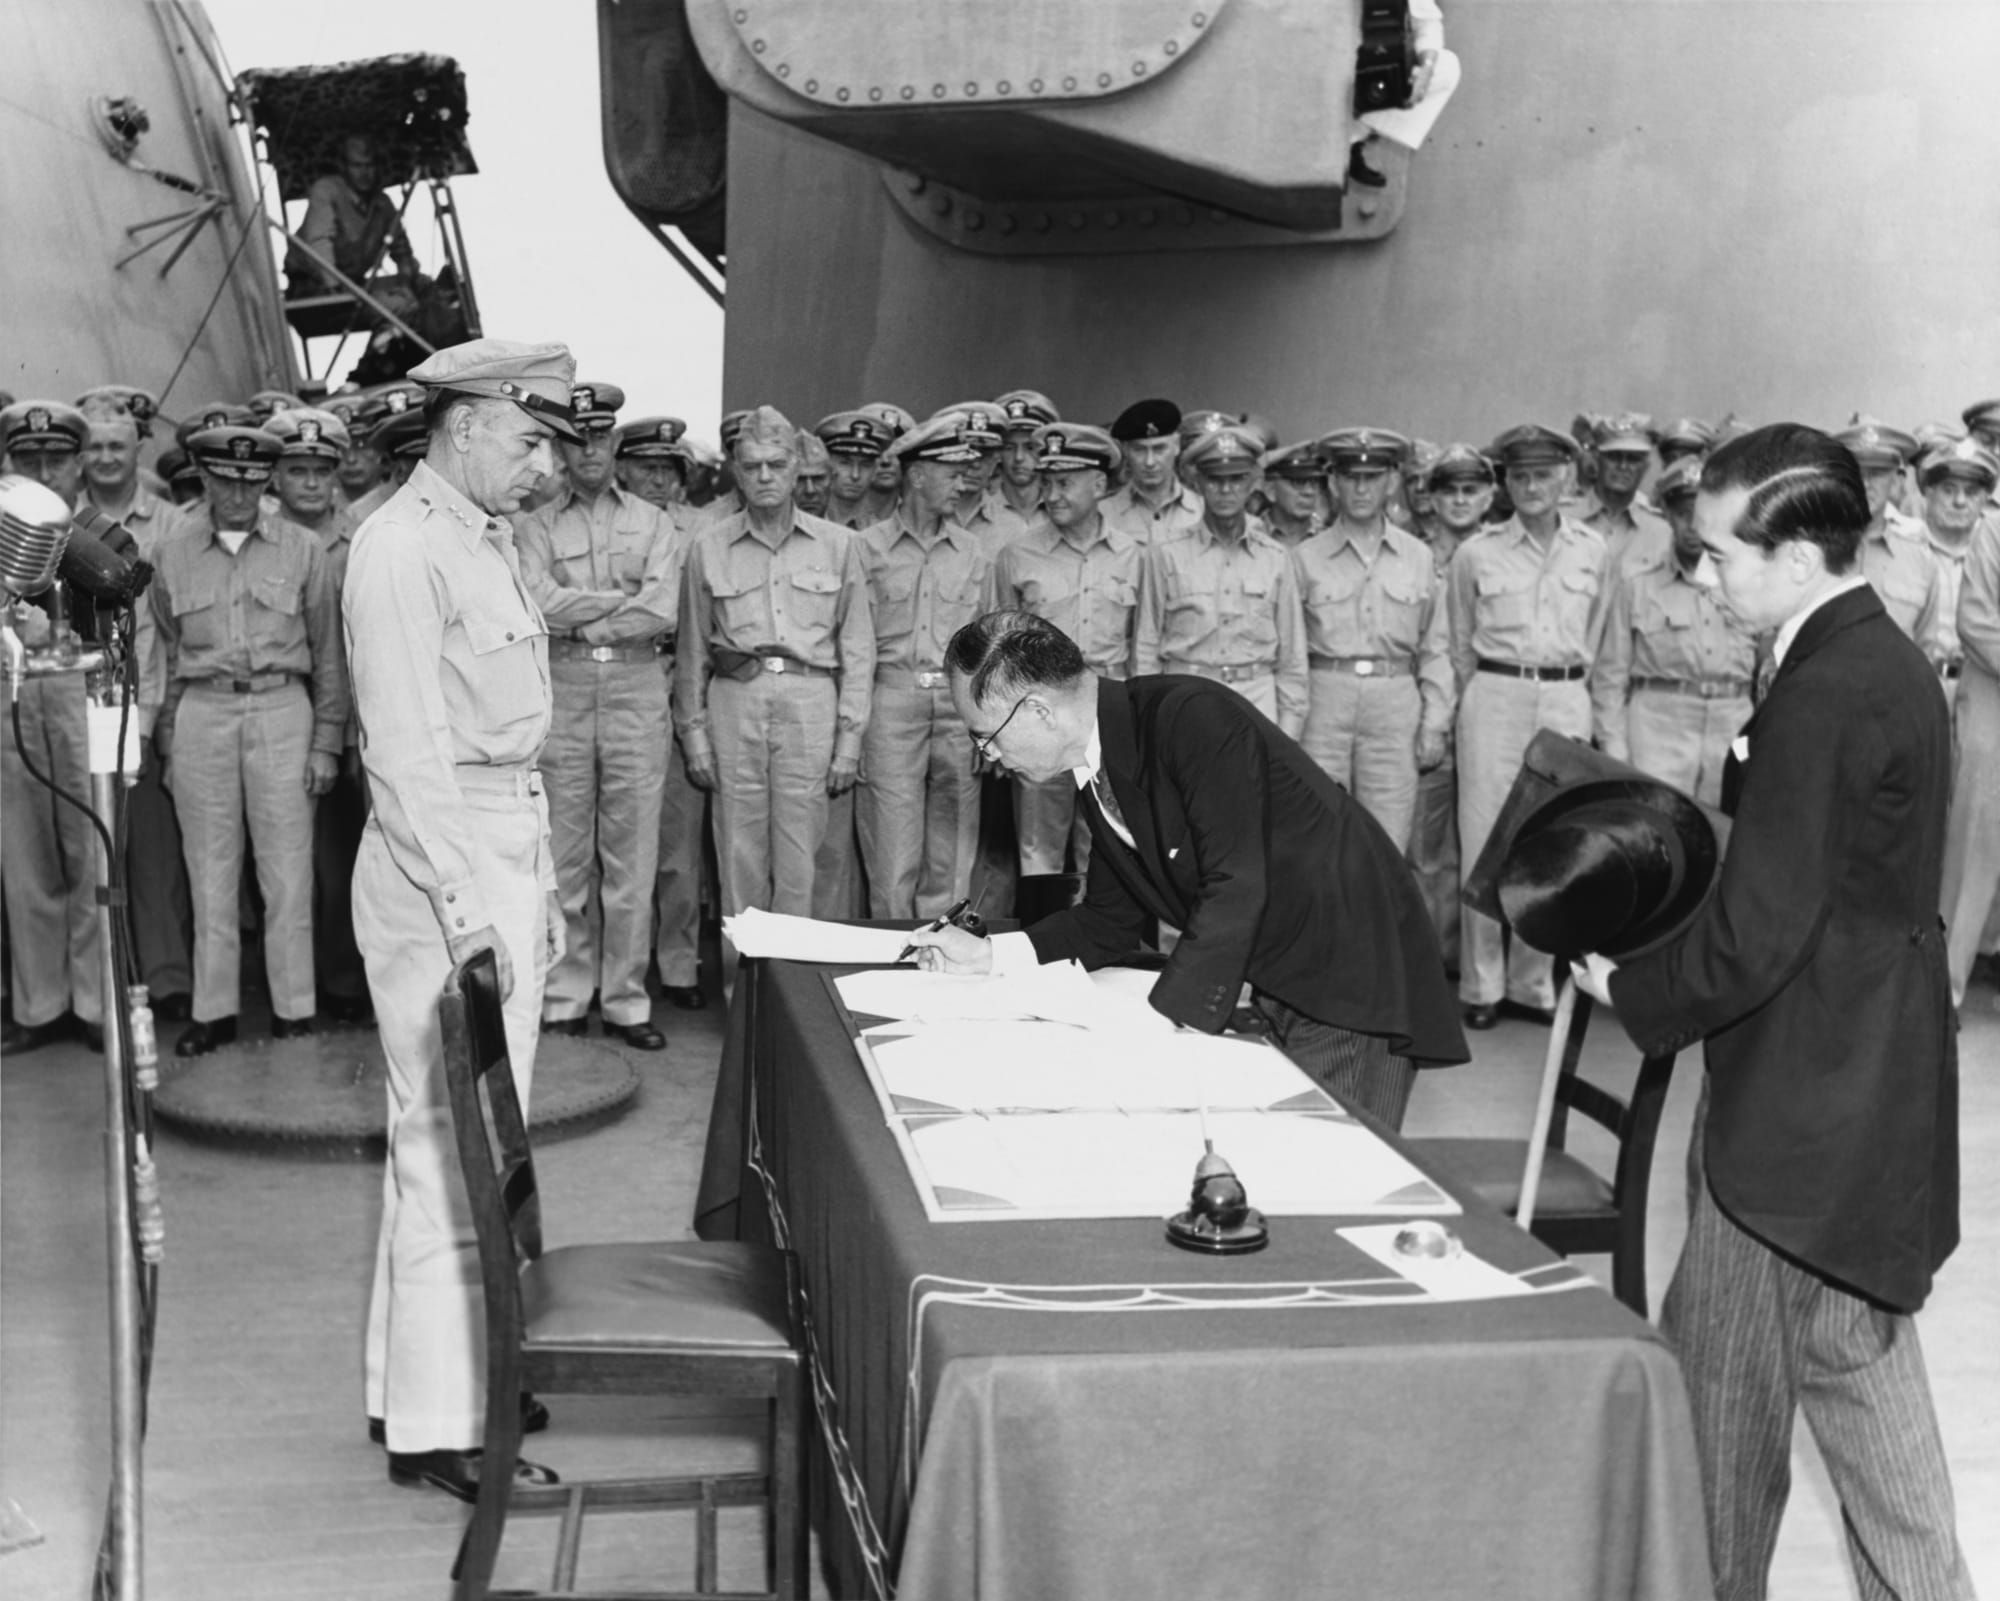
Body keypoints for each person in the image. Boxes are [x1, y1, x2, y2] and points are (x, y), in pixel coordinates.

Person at [1578, 423, 1972, 1601]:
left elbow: (1765, 926)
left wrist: (1629, 986)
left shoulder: (1826, 689)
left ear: (1797, 556)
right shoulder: (1874, 655)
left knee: (1720, 1419)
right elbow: (1809, 885)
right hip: (1864, 1086)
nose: (1702, 573)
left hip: (1798, 1113)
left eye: (1717, 554)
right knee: (1855, 1366)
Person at [907, 610, 1467, 1129]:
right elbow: (1109, 921)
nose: (989, 755)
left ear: (1037, 710)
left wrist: (1160, 1020)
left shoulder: (1190, 718)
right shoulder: (1101, 766)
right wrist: (991, 955)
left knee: (1333, 1170)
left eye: (985, 735)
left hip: (1350, 970)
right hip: (1284, 970)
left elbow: (1237, 884)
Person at [345, 336, 577, 1503]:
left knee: (478, 1138)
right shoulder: (400, 548)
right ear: (468, 421)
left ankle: (431, 1376)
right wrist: (467, 908)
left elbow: (508, 744)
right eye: (531, 438)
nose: (543, 465)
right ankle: (446, 1424)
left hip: (497, 844)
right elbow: (405, 753)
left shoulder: (482, 540)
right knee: (450, 1144)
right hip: (439, 859)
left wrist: (536, 894)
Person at [150, 426, 348, 1056]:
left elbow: (328, 653)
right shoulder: (171, 551)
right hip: (203, 710)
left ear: (266, 480)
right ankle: (215, 1011)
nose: (237, 492)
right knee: (209, 869)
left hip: (281, 707)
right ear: (201, 478)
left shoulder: (302, 549)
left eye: (250, 479)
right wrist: (168, 738)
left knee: (287, 870)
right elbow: (167, 645)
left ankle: (294, 1010)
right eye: (223, 479)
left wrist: (326, 742)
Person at [514, 382, 683, 1049]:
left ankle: (625, 1000)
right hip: (563, 683)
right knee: (563, 850)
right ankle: (565, 993)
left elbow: (660, 608)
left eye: (600, 437)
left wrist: (578, 609)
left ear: (615, 442)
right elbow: (536, 601)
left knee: (632, 853)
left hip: (638, 686)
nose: (589, 449)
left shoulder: (655, 522)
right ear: (560, 445)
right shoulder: (532, 524)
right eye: (575, 438)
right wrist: (612, 605)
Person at [675, 406, 874, 923]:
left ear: (796, 470)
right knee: (737, 855)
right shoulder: (707, 546)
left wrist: (850, 742)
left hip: (811, 701)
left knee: (802, 859)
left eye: (777, 465)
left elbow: (858, 649)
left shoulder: (840, 547)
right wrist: (693, 735)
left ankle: (793, 994)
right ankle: (744, 995)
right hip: (735, 702)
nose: (765, 476)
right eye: (752, 465)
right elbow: (693, 650)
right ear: (736, 474)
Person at [1447, 423, 1609, 1029]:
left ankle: (1530, 982)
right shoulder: (1476, 553)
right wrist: (1484, 694)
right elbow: (1458, 641)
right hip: (1495, 693)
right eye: (1520, 476)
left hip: (1565, 694)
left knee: (1551, 840)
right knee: (1486, 838)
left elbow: (1603, 641)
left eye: (1543, 474)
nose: (1532, 486)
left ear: (1565, 478)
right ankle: (1483, 986)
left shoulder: (1593, 550)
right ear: (1504, 483)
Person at [0, 401, 116, 1052]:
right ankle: (41, 1006)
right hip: (11, 691)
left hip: (80, 694)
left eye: (55, 459)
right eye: (27, 459)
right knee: (24, 857)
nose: (43, 470)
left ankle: (95, 1002)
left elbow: (136, 631)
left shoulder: (105, 535)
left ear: (79, 466)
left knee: (89, 849)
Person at [76, 402, 194, 1020]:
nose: (104, 458)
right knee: (95, 851)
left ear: (136, 452)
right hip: (80, 707)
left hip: (139, 706)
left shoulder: (170, 523)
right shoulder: (64, 521)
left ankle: (169, 982)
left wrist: (149, 718)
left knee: (153, 854)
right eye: (94, 447)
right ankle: (110, 988)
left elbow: (162, 631)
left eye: (116, 447)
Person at [856, 413, 997, 917]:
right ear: (917, 476)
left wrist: (986, 725)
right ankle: (891, 967)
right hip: (891, 703)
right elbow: (855, 644)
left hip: (958, 709)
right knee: (893, 854)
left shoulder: (974, 553)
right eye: (952, 473)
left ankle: (944, 963)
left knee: (953, 853)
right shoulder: (866, 548)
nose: (964, 484)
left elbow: (987, 648)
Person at [992, 423, 1143, 881]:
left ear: (1099, 485)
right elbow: (996, 651)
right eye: (1047, 481)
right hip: (1039, 716)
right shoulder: (1016, 555)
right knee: (1038, 849)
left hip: (1108, 715)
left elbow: (1143, 645)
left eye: (1064, 482)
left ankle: (1104, 951)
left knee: (1111, 843)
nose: (1052, 495)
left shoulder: (1134, 555)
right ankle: (1038, 947)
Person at [1290, 427, 1452, 851]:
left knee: (1387, 840)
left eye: (1373, 477)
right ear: (1333, 484)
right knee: (1315, 833)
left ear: (1392, 482)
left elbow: (1436, 647)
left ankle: (1378, 920)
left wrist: (1434, 722)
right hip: (1324, 702)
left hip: (1394, 703)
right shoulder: (1304, 558)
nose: (1361, 488)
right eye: (1350, 477)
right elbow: (1289, 651)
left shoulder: (1418, 556)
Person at [265, 407, 374, 1025]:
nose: (310, 483)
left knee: (343, 864)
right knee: (286, 866)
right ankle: (289, 989)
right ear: (275, 476)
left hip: (353, 719)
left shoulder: (363, 537)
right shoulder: (262, 535)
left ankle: (342, 982)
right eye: (296, 470)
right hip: (289, 709)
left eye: (321, 470)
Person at [1591, 456, 1759, 808]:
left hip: (1731, 729)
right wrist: (1615, 750)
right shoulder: (1638, 586)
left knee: (1726, 839)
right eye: (1685, 514)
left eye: (1707, 516)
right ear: (1667, 516)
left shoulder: (1750, 589)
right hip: (1658, 732)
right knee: (1657, 835)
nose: (1695, 527)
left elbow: (1770, 673)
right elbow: (1610, 677)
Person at [611, 416, 706, 1010]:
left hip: (687, 683)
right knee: (621, 842)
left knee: (679, 848)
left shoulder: (704, 530)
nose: (658, 480)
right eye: (647, 467)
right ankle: (623, 969)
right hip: (630, 680)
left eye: (669, 469)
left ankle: (677, 965)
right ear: (624, 469)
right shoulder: (617, 524)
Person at [1135, 424, 1308, 737]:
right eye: (1215, 479)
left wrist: (1290, 732)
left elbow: (1292, 657)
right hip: (1186, 700)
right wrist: (1149, 720)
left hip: (1256, 700)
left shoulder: (1276, 558)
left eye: (1237, 478)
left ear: (1254, 482)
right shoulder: (1165, 554)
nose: (1226, 490)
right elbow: (1146, 649)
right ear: (1197, 482)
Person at [1943, 509, 2000, 1006]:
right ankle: (1944, 986)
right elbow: (1977, 622)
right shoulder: (1994, 530)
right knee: (1975, 841)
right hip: (1993, 705)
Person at [291, 133, 422, 294]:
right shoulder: (327, 191)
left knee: (422, 289)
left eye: (370, 165)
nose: (364, 173)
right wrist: (334, 287)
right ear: (344, 167)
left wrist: (407, 279)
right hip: (313, 289)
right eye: (357, 166)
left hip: (353, 285)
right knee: (401, 307)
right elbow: (319, 244)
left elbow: (401, 248)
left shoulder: (382, 203)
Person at [1913, 437, 1997, 680]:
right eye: (1948, 490)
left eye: (1971, 492)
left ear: (1985, 499)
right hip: (1919, 686)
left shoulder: (1993, 557)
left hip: (1983, 690)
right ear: (1928, 492)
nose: (1960, 501)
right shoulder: (1905, 550)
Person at [1100, 398, 1202, 544]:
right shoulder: (1104, 514)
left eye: (1159, 449)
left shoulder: (1202, 510)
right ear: (1126, 451)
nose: (1150, 462)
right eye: (1139, 450)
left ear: (1176, 446)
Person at [815, 410, 896, 530]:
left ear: (875, 470)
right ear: (827, 466)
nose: (855, 475)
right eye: (845, 463)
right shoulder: (804, 526)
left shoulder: (884, 535)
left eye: (865, 465)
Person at [990, 389, 1058, 523]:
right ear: (998, 452)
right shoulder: (978, 513)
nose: (1019, 457)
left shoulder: (1064, 513)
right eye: (1009, 447)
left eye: (1030, 447)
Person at [1259, 440, 1329, 547]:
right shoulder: (1249, 536)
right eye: (1299, 482)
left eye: (1315, 482)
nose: (1309, 492)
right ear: (1271, 490)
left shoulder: (1329, 540)